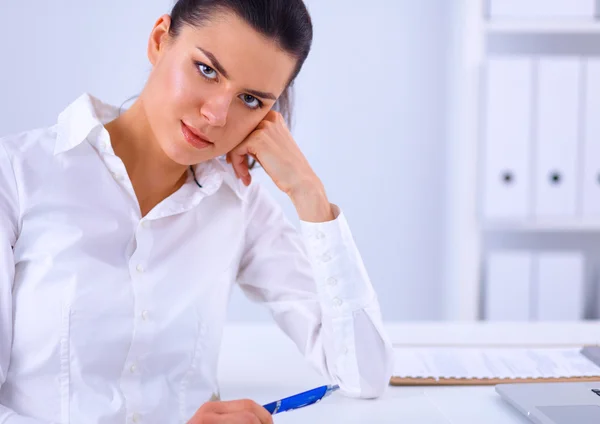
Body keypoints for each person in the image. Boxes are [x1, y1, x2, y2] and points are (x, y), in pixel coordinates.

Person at [0, 0, 394, 423]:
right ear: (158, 42)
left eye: (250, 100)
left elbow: (363, 374)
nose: (216, 115)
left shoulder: (238, 205)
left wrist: (309, 193)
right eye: (207, 70)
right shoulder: (19, 175)